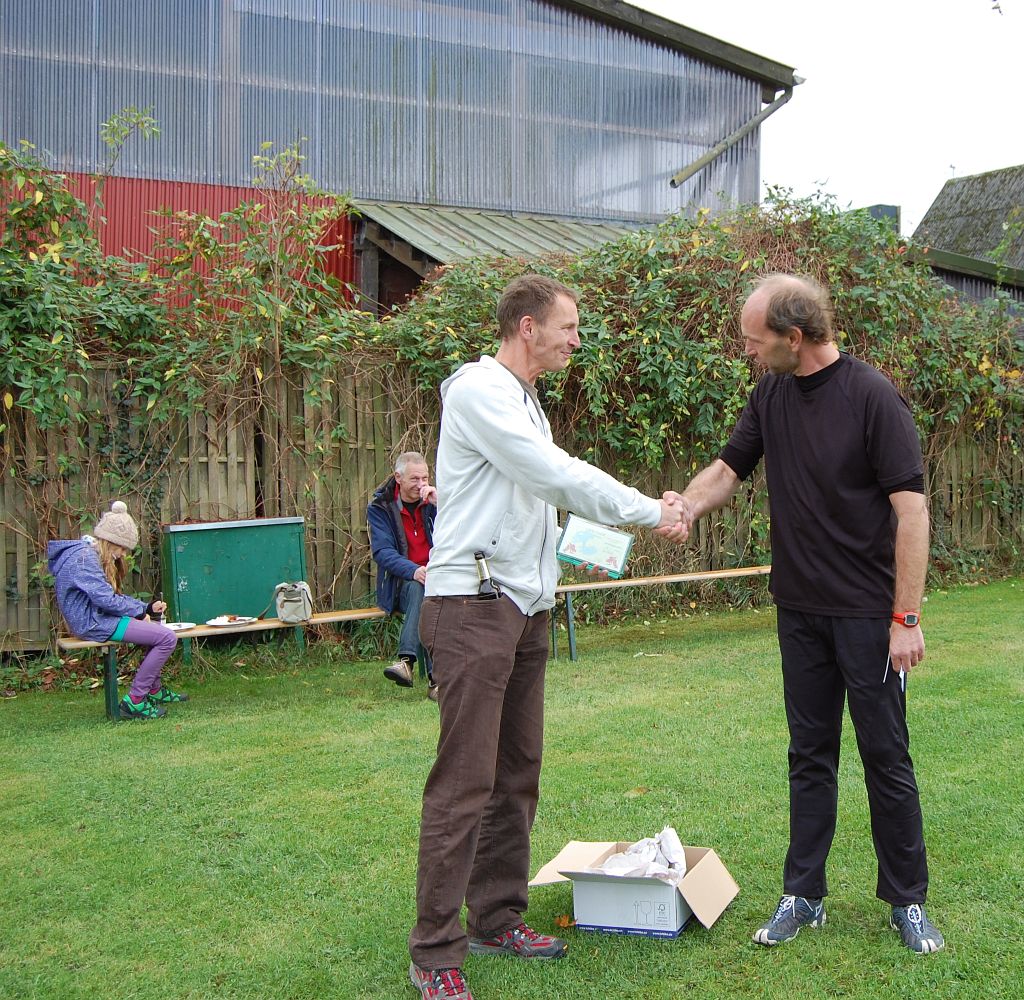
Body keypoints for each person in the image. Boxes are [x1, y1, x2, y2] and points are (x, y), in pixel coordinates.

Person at [406, 273, 687, 1000]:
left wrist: (566, 559)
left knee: (516, 774)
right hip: (473, 605)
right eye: (568, 326)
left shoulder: (525, 400)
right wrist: (648, 510)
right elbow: (552, 474)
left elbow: (534, 500)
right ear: (527, 327)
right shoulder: (479, 390)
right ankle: (434, 953)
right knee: (464, 783)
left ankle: (497, 919)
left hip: (524, 606)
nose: (576, 340)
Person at [662, 273, 943, 954]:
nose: (748, 352)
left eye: (755, 341)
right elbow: (728, 469)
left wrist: (905, 618)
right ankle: (804, 894)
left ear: (794, 336)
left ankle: (906, 900)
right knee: (809, 755)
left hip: (868, 616)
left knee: (886, 756)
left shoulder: (873, 398)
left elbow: (912, 513)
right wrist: (683, 506)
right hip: (800, 612)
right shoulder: (771, 395)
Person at [47, 501, 184, 720]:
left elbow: (107, 597)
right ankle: (135, 701)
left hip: (97, 619)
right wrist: (141, 610)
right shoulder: (84, 560)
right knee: (167, 638)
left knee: (157, 630)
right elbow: (107, 600)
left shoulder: (86, 554)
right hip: (94, 624)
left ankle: (154, 690)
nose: (122, 554)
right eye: (121, 548)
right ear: (109, 541)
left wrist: (145, 608)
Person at [368, 451, 438, 700]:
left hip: (438, 580)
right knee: (421, 591)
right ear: (398, 477)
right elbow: (382, 552)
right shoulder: (380, 507)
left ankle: (406, 664)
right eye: (414, 479)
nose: (421, 484)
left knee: (429, 594)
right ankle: (436, 680)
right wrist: (414, 571)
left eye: (425, 478)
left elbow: (460, 531)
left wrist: (441, 505)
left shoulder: (434, 503)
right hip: (400, 586)